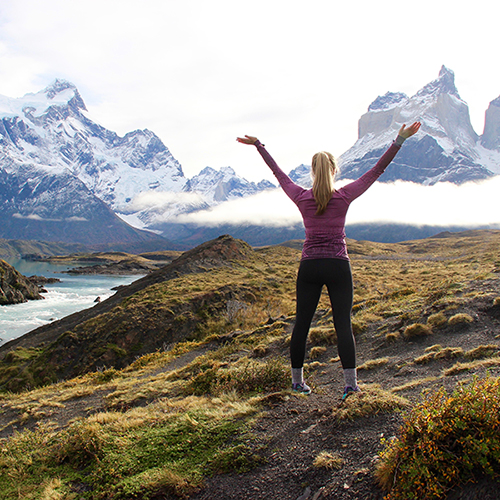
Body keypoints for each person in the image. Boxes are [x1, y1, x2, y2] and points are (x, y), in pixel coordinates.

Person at [237, 122, 421, 400]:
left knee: (302, 324)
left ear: (312, 172)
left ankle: (297, 383)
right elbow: (377, 171)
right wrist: (399, 140)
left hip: (309, 265)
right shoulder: (345, 195)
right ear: (335, 171)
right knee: (343, 325)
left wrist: (259, 146)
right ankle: (350, 386)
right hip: (337, 265)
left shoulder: (300, 196)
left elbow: (278, 174)